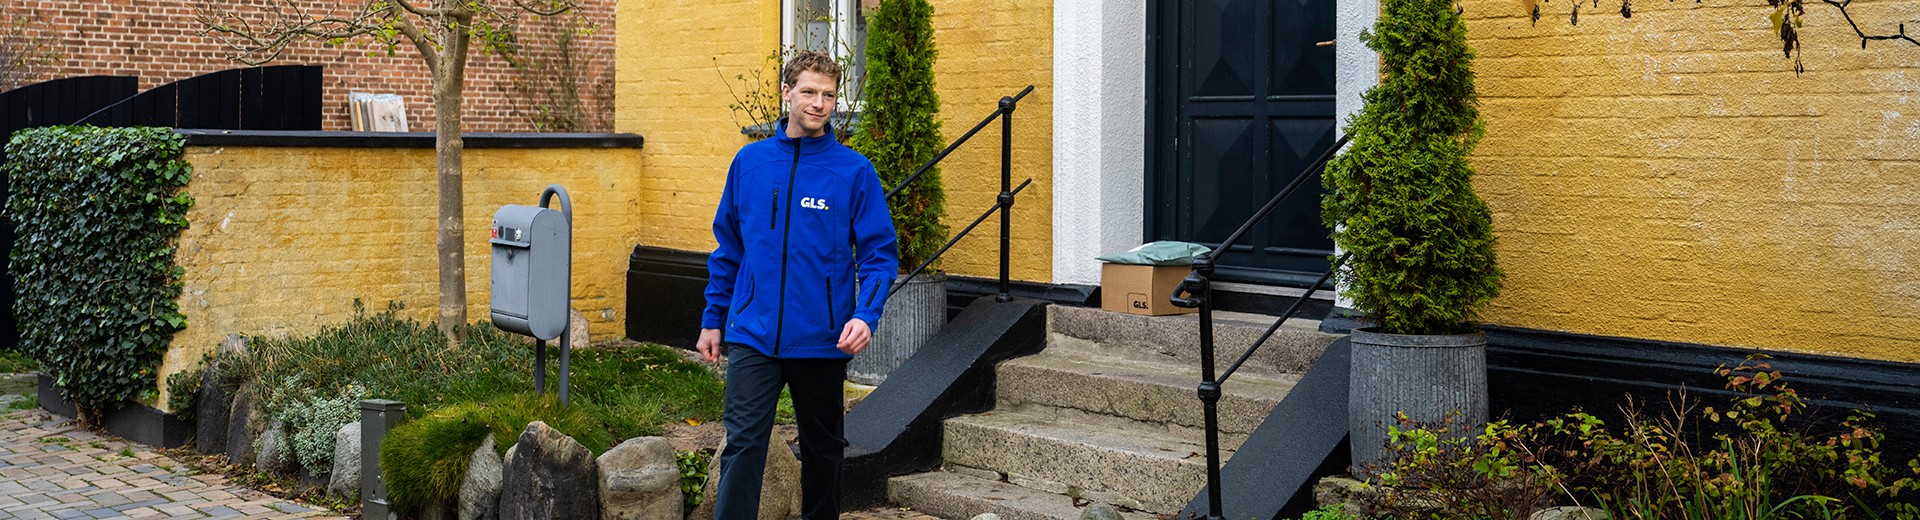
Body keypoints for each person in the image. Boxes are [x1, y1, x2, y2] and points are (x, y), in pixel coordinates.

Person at [697, 50, 900, 520]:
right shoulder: (749, 163)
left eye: (828, 95)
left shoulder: (854, 172)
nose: (819, 104)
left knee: (823, 451)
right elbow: (729, 249)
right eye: (809, 92)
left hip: (822, 338)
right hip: (753, 333)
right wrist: (712, 319)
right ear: (787, 93)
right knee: (743, 445)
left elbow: (879, 256)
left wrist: (865, 315)